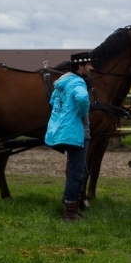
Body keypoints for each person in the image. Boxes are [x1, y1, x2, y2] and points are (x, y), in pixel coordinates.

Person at [45, 52, 93, 221]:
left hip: (64, 129)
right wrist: (83, 114)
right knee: (77, 171)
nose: (91, 68)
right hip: (76, 132)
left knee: (82, 169)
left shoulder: (62, 83)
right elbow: (82, 97)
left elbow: (53, 102)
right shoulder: (78, 82)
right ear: (80, 67)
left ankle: (72, 203)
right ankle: (70, 211)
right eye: (89, 65)